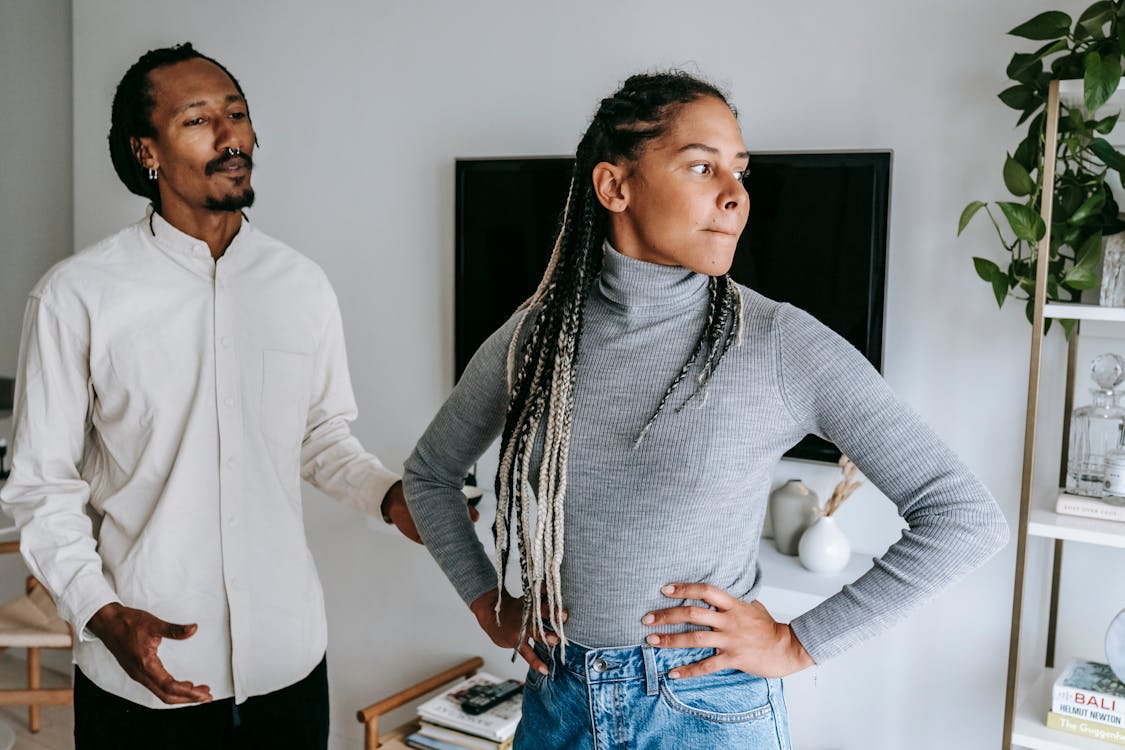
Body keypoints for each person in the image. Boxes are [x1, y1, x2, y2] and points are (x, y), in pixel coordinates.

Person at [402, 71, 1009, 749]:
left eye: (739, 172)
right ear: (614, 187)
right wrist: (489, 604)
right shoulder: (533, 338)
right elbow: (429, 475)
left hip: (705, 710)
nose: (734, 197)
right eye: (701, 167)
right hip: (558, 702)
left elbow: (963, 516)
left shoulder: (781, 342)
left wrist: (796, 644)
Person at [0, 43, 427, 749]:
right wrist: (101, 614)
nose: (232, 136)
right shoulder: (75, 296)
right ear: (148, 152)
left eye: (238, 114)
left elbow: (320, 437)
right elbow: (42, 487)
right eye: (198, 120)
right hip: (140, 677)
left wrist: (390, 496)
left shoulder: (301, 287)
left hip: (289, 668)